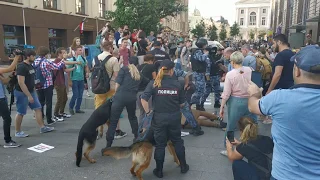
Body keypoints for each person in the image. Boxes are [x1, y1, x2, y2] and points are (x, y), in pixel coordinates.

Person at [248, 45, 320, 180]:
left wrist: (254, 93)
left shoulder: (279, 98)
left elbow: (253, 107)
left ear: (297, 71)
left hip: (285, 175)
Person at [141, 60, 189, 178]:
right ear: (172, 71)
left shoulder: (154, 83)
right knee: (177, 141)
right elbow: (182, 104)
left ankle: (159, 170)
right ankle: (183, 166)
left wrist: (148, 112)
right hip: (174, 117)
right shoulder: (178, 84)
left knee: (160, 144)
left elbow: (143, 99)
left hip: (159, 118)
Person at [219, 51, 257, 156]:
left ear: (232, 62)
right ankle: (250, 145)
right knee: (250, 123)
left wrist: (222, 107)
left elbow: (226, 93)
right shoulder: (250, 70)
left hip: (236, 101)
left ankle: (229, 149)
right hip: (249, 100)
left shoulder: (230, 74)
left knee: (231, 126)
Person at [14, 49, 54, 138]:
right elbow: (21, 83)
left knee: (38, 108)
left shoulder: (31, 66)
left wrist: (33, 91)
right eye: (33, 56)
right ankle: (18, 131)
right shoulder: (21, 67)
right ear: (28, 57)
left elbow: (32, 79)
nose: (34, 57)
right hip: (21, 92)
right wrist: (29, 96)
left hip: (31, 91)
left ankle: (42, 127)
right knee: (21, 112)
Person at [104, 57, 142, 148]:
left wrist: (116, 94)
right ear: (137, 64)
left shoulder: (124, 69)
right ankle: (136, 137)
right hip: (132, 98)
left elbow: (117, 84)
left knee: (113, 121)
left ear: (128, 62)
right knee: (132, 117)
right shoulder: (138, 74)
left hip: (120, 97)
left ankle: (108, 145)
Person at [93, 41, 127, 139]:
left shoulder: (96, 58)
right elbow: (117, 76)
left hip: (99, 88)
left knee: (98, 109)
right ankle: (116, 131)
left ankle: (96, 130)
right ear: (110, 48)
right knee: (114, 110)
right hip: (111, 88)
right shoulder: (113, 59)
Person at [34, 46, 67, 124]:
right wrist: (63, 60)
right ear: (46, 53)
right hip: (47, 84)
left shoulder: (35, 61)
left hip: (38, 84)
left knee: (40, 102)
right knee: (48, 102)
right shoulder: (46, 62)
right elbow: (57, 67)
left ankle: (40, 117)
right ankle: (49, 119)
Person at [0, 50, 20, 147]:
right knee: (7, 118)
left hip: (2, 97)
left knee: (5, 118)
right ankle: (8, 141)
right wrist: (16, 57)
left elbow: (4, 81)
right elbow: (10, 68)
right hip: (0, 99)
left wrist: (11, 76)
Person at [53, 48, 78, 121]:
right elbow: (65, 63)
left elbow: (65, 70)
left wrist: (73, 68)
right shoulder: (57, 61)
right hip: (58, 82)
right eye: (63, 53)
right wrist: (76, 62)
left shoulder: (61, 61)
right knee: (59, 99)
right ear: (59, 54)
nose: (65, 54)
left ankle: (61, 112)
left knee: (65, 98)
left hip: (62, 82)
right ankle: (56, 114)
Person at [190, 38, 211, 111]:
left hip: (200, 73)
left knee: (201, 90)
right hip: (198, 73)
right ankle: (190, 103)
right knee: (199, 90)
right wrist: (206, 54)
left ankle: (198, 105)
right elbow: (201, 59)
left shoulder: (199, 51)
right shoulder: (198, 52)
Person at [68, 46, 88, 115]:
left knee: (80, 94)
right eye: (79, 50)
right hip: (74, 79)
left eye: (81, 50)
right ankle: (71, 107)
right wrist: (69, 80)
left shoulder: (82, 58)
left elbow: (86, 66)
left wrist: (87, 72)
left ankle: (78, 108)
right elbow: (68, 71)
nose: (81, 51)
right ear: (75, 51)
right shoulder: (72, 60)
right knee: (75, 94)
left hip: (81, 78)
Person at [136, 54, 157, 123]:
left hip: (138, 91)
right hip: (147, 92)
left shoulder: (138, 67)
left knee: (142, 112)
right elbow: (155, 78)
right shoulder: (152, 66)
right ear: (151, 61)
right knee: (149, 111)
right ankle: (147, 130)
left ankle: (140, 129)